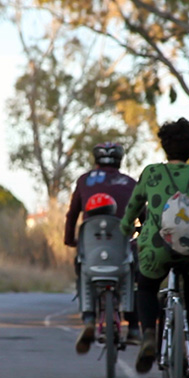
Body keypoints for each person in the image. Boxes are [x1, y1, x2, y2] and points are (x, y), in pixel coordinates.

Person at [119, 118, 189, 378]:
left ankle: (148, 334)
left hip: (157, 248)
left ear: (164, 146)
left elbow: (133, 206)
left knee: (146, 287)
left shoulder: (151, 173)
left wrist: (125, 228)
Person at [64, 142, 142, 355]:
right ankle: (134, 328)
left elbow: (72, 215)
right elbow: (143, 216)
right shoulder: (130, 183)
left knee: (83, 270)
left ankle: (89, 318)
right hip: (121, 251)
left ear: (96, 159)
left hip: (91, 251)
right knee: (133, 276)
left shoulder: (84, 180)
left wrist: (70, 240)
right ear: (120, 160)